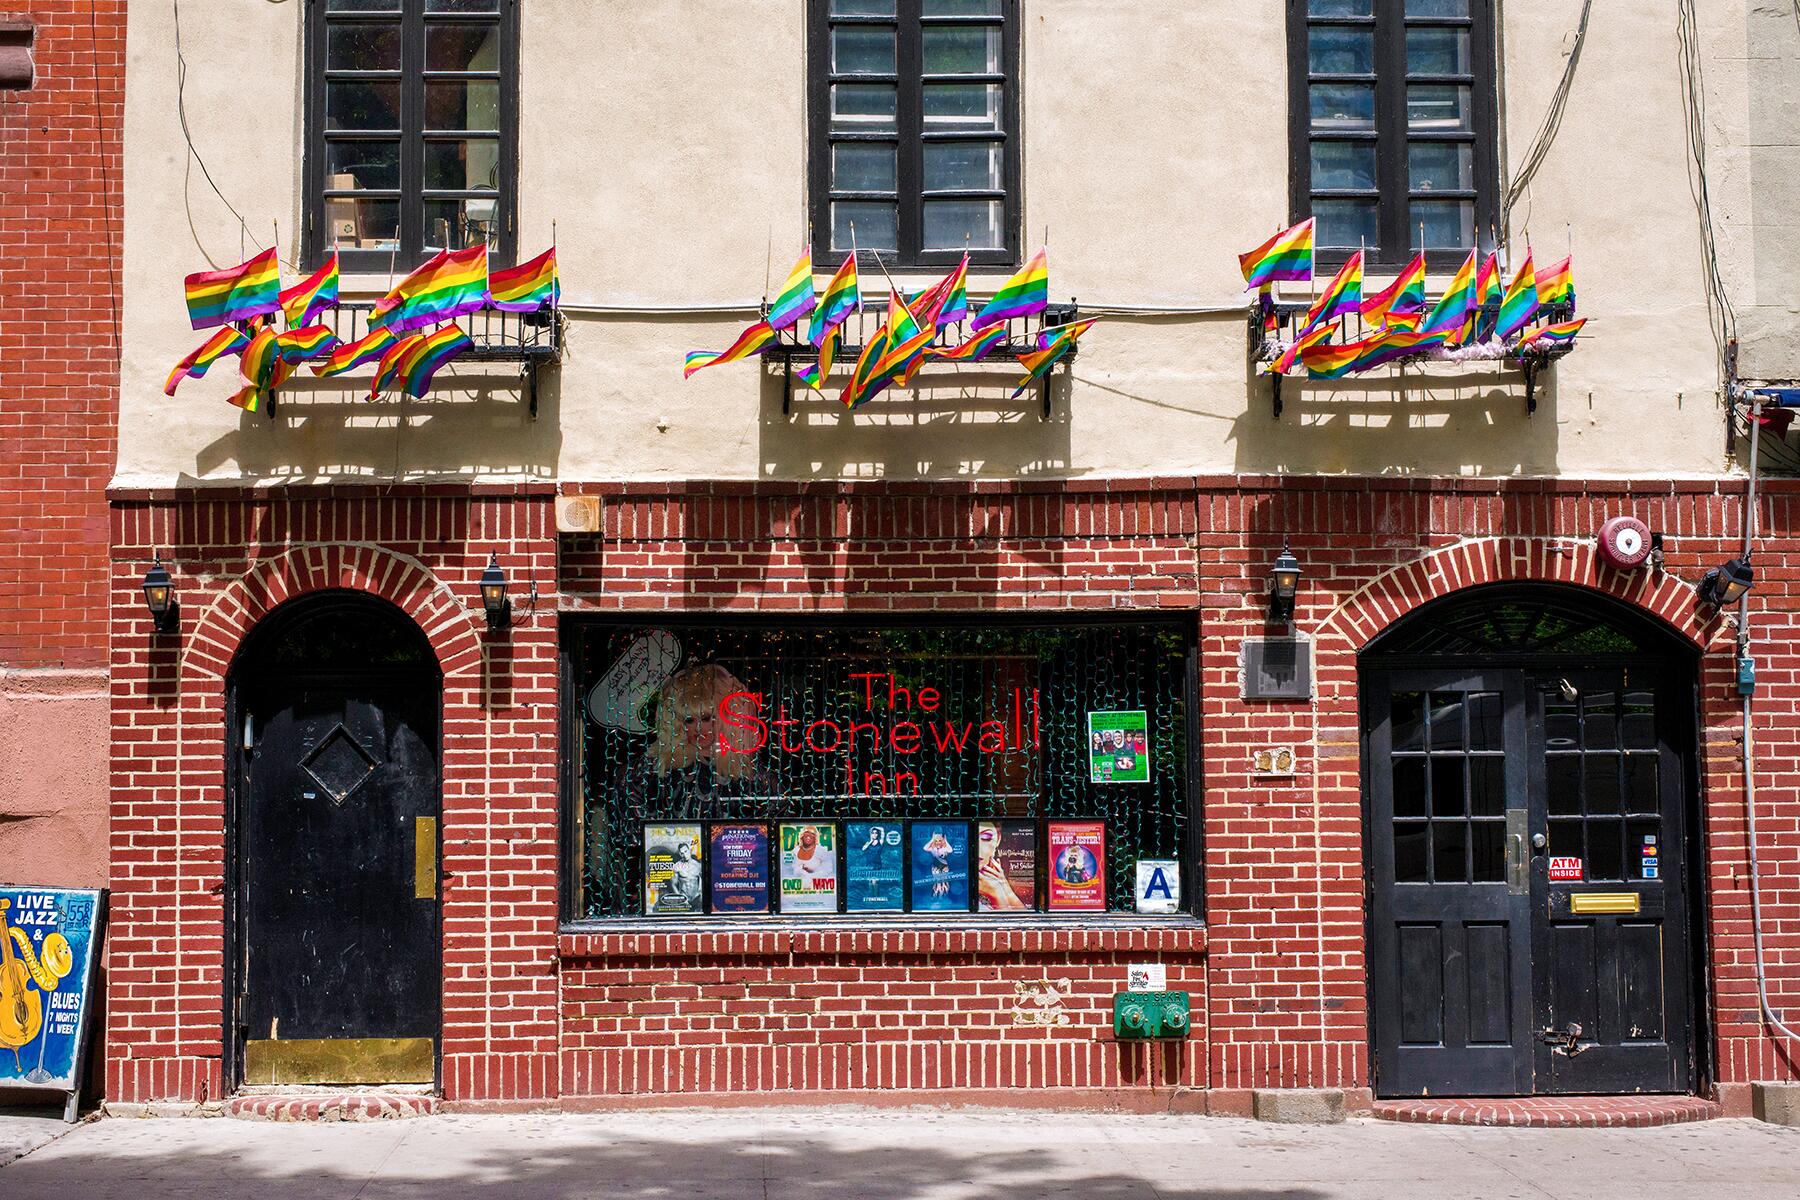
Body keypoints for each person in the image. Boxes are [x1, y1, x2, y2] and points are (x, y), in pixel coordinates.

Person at [977, 823, 1028, 911]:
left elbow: (1024, 916)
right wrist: (996, 893)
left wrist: (1003, 884)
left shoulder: (996, 876)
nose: (978, 847)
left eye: (986, 837)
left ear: (998, 840)